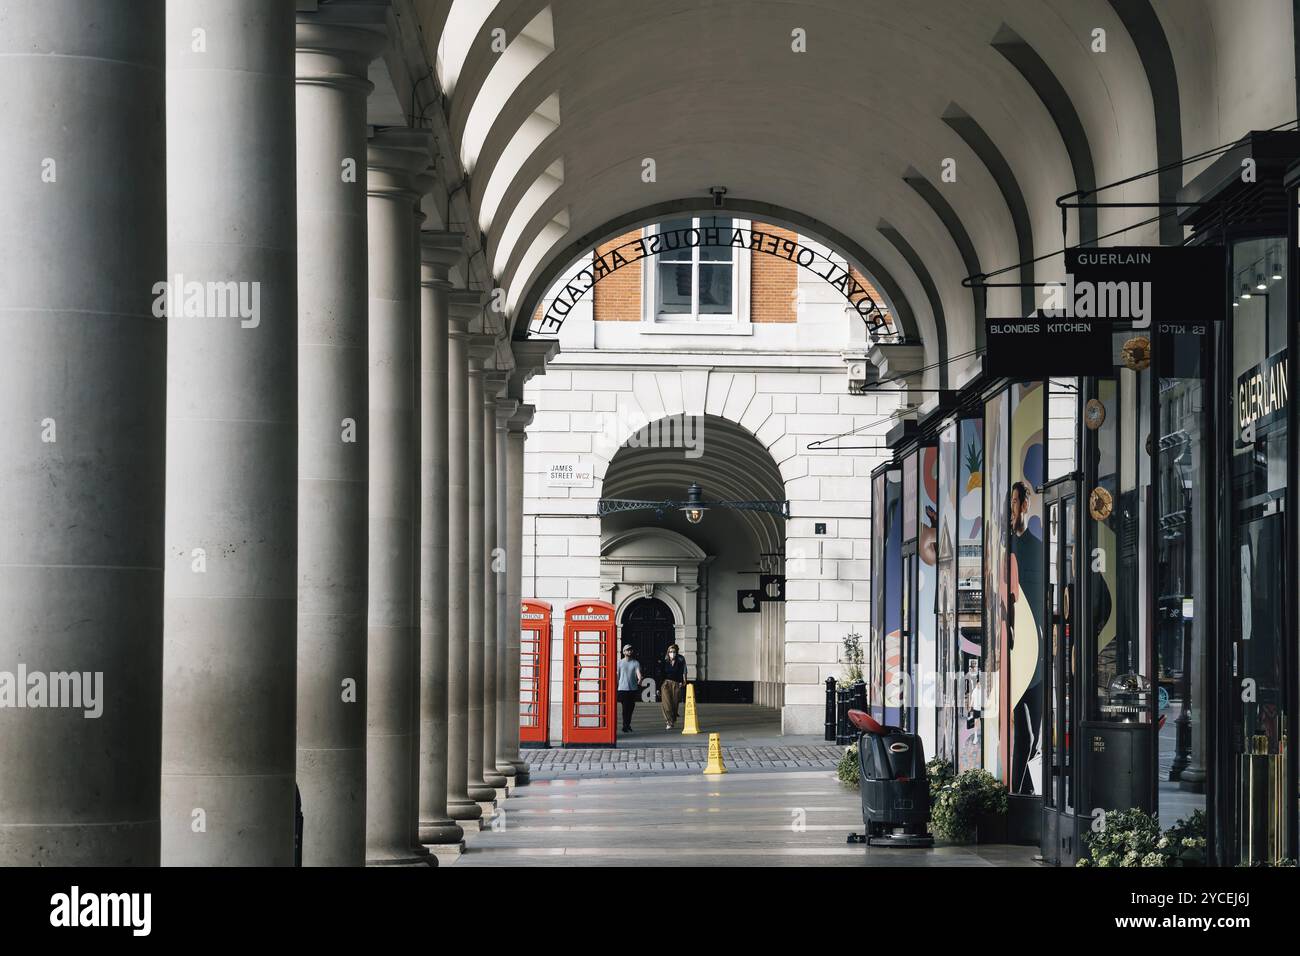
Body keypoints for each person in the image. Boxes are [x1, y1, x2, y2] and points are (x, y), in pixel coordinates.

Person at [660, 644, 688, 730]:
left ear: (677, 652)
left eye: (674, 652)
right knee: (667, 704)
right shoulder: (665, 661)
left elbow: (684, 671)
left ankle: (673, 717)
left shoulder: (680, 660)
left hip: (676, 683)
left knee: (675, 704)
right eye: (670, 652)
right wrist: (659, 686)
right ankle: (669, 721)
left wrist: (684, 681)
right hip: (666, 683)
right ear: (668, 652)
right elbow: (661, 674)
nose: (672, 653)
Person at [617, 644, 643, 733]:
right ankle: (625, 725)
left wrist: (640, 678)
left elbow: (638, 672)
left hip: (633, 688)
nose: (629, 651)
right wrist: (616, 686)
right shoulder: (619, 663)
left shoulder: (635, 662)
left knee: (631, 708)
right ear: (624, 652)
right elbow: (617, 675)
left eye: (631, 650)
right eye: (627, 650)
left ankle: (628, 724)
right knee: (625, 708)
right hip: (622, 689)